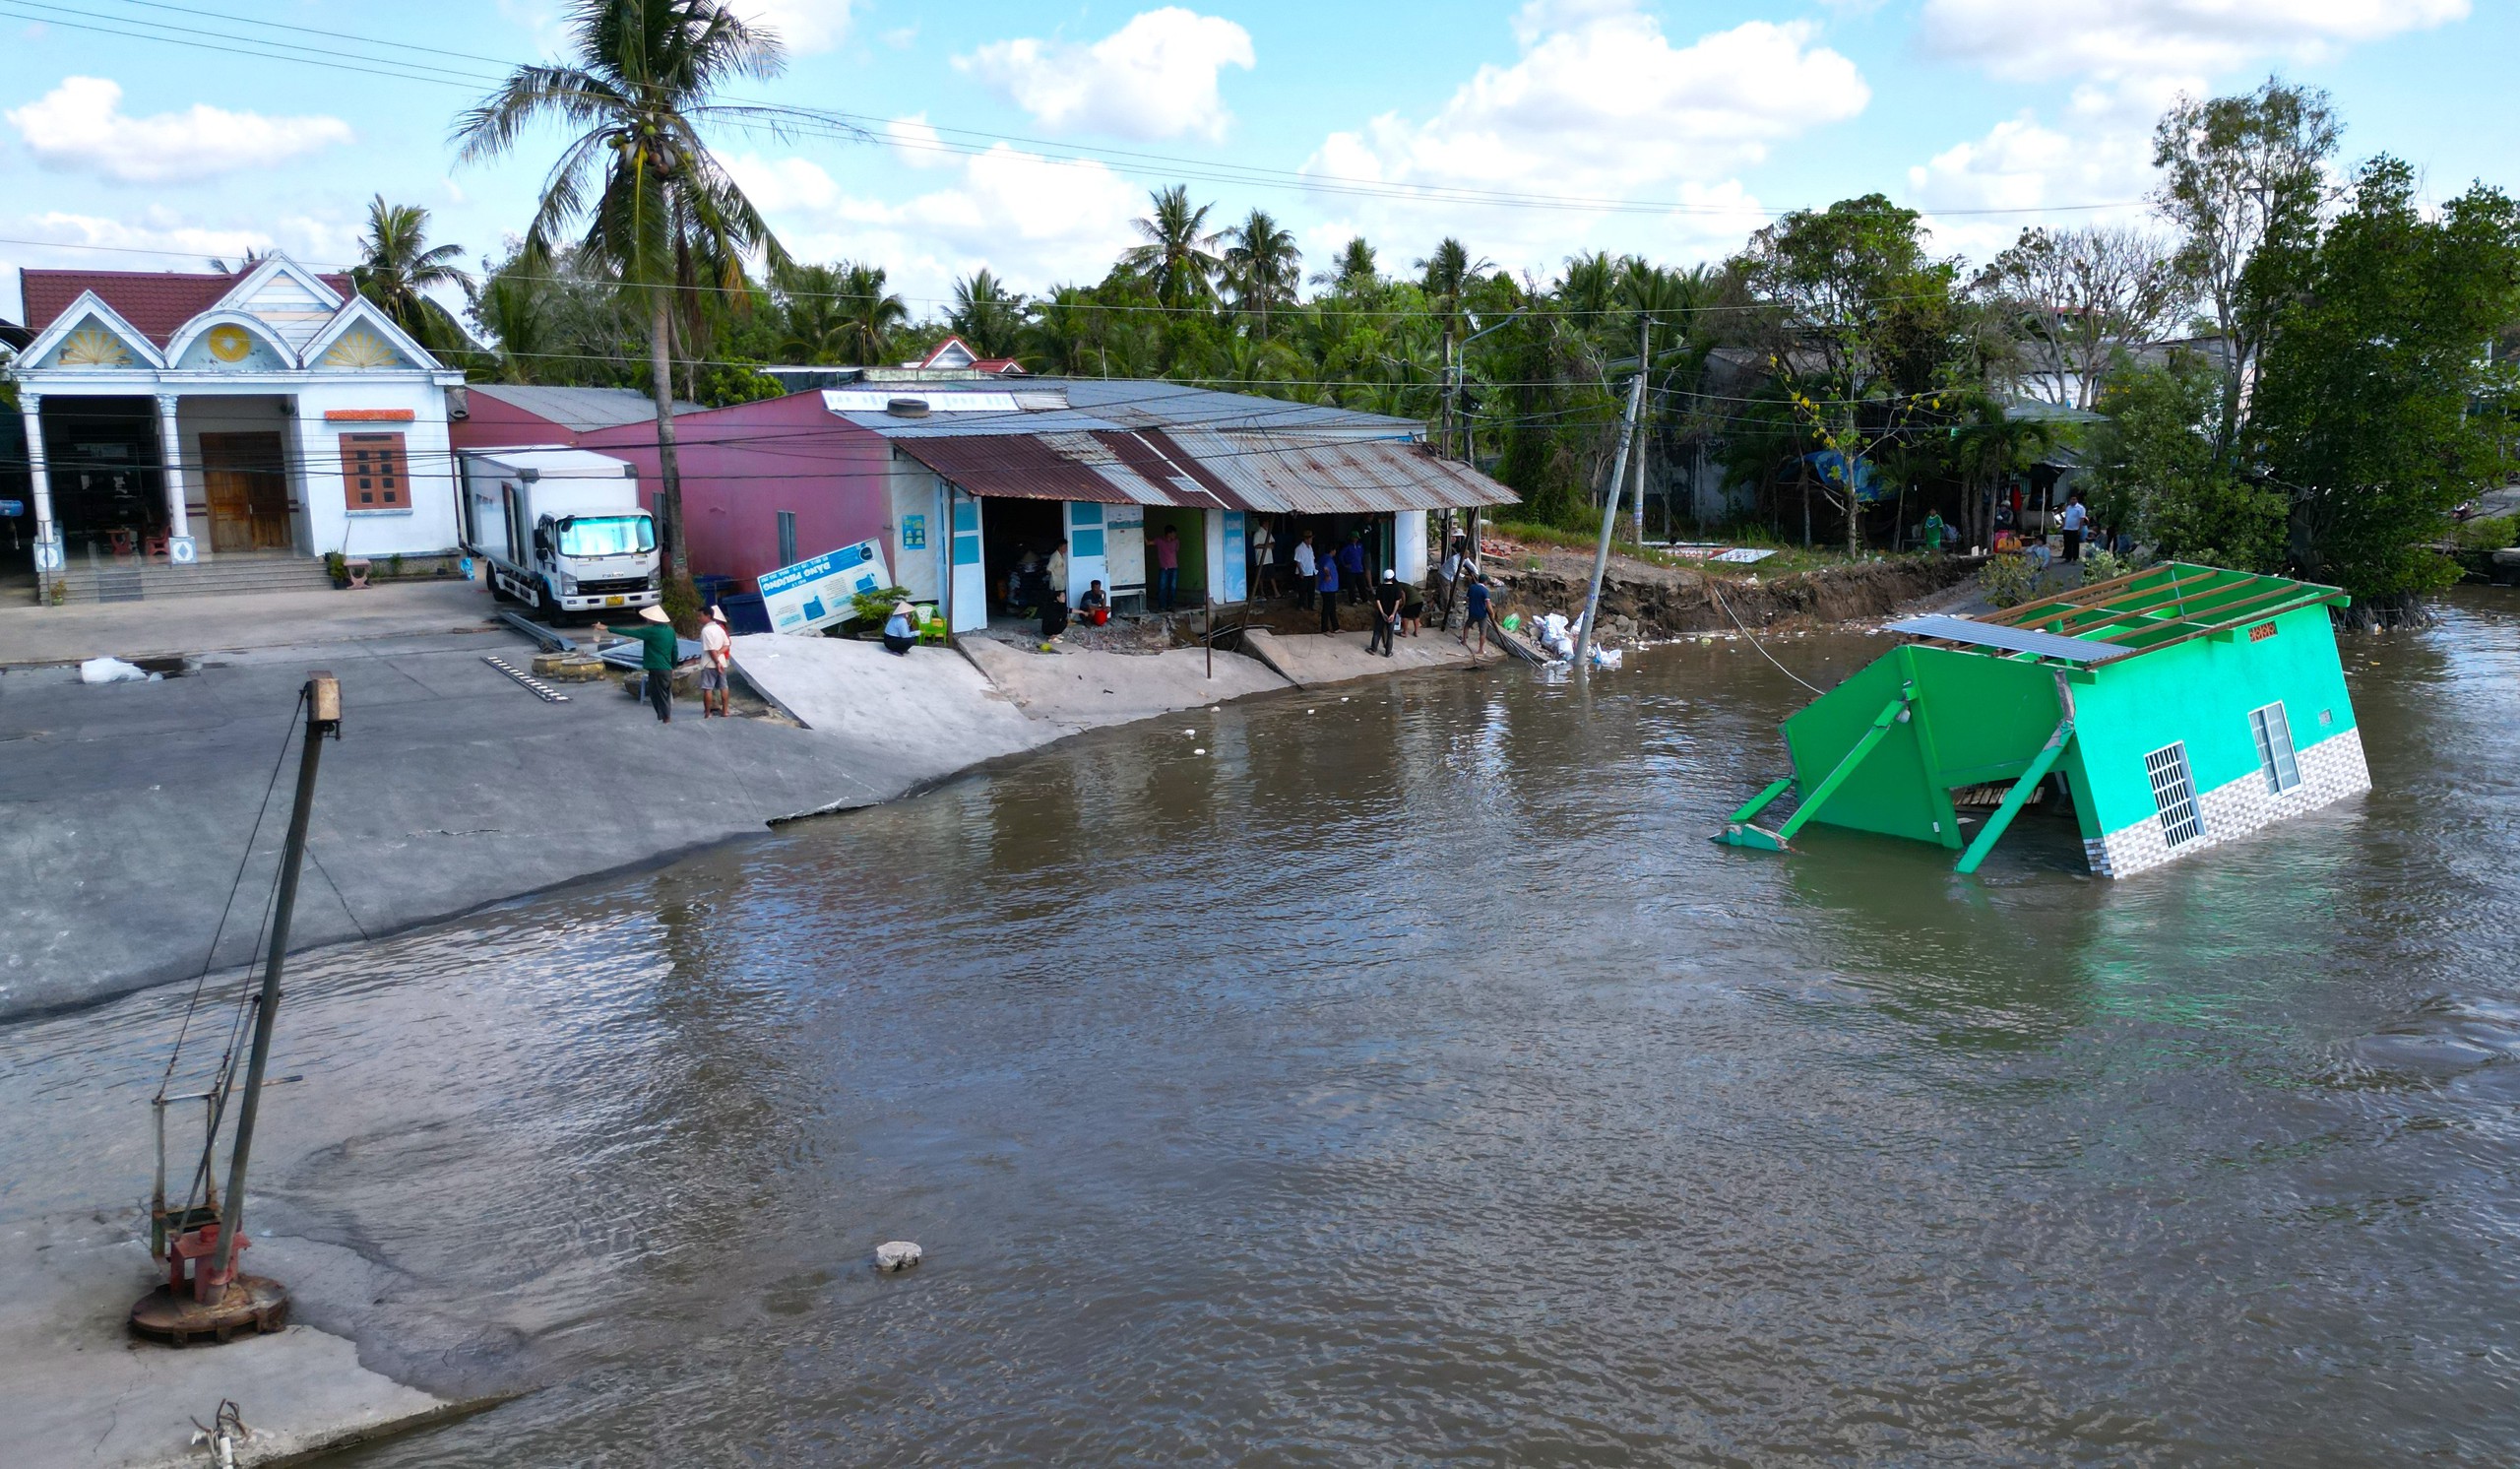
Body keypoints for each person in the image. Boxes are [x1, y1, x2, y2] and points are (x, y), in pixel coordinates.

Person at [605, 604, 681, 723]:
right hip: (666, 668)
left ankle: (666, 720)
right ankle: (665, 718)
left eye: (649, 617)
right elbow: (675, 650)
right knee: (664, 694)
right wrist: (673, 666)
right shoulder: (670, 631)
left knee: (658, 695)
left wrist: (608, 628)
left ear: (654, 619)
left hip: (657, 668)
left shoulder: (651, 631)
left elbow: (630, 633)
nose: (647, 619)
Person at [697, 604, 733, 717]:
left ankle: (708, 713)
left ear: (707, 616)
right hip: (722, 661)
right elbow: (727, 644)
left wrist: (716, 661)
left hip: (710, 664)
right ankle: (725, 711)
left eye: (700, 616)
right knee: (724, 686)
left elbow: (710, 649)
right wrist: (720, 653)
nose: (698, 618)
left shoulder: (706, 631)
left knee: (707, 688)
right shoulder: (720, 628)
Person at [1369, 568, 1405, 656]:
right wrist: (1393, 614)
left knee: (1377, 631)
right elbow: (1397, 602)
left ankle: (1373, 649)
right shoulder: (1396, 588)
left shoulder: (1380, 588)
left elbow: (1378, 601)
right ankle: (1388, 652)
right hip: (1391, 614)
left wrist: (1382, 613)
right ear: (1392, 577)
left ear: (1384, 577)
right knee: (1390, 634)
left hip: (1382, 614)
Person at [1462, 569, 1493, 660]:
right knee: (1482, 632)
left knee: (1467, 625)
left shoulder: (1472, 587)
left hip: (1472, 612)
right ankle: (1480, 650)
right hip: (1482, 614)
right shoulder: (1485, 591)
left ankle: (1464, 641)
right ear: (1485, 581)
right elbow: (1488, 604)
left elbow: (1467, 599)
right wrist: (1492, 613)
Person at [1153, 524, 1181, 610]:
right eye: (1173, 533)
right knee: (1162, 588)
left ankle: (1170, 605)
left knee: (1172, 588)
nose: (1174, 535)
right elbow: (1148, 543)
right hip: (1164, 568)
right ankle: (1162, 606)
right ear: (1168, 534)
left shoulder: (1176, 541)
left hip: (1174, 568)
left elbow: (1177, 549)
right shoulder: (1159, 541)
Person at [1314, 546, 1341, 632]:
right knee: (1327, 608)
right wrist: (1328, 575)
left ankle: (1336, 627)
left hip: (1329, 588)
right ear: (1333, 550)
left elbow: (1318, 566)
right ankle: (1324, 629)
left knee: (1332, 608)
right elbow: (1326, 568)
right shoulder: (1328, 559)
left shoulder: (1323, 558)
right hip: (1328, 588)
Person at [1250, 516, 1277, 599]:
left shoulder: (1268, 532)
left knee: (1272, 576)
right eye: (1267, 523)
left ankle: (1276, 591)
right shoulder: (1258, 533)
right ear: (1264, 523)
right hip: (1261, 558)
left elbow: (1273, 542)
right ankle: (1262, 591)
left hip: (1269, 558)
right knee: (1260, 577)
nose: (1268, 525)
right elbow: (1255, 545)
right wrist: (1267, 545)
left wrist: (1270, 545)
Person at [1338, 531, 1367, 605]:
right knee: (1351, 586)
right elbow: (1341, 556)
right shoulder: (1347, 547)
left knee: (1362, 585)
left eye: (1357, 538)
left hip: (1359, 569)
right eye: (1354, 537)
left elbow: (1361, 556)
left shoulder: (1360, 546)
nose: (1356, 539)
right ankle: (1353, 601)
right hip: (1351, 570)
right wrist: (1345, 564)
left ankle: (1365, 599)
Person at [1292, 530, 1318, 609]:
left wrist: (1315, 568)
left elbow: (1312, 559)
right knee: (1302, 591)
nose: (1311, 540)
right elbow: (1297, 561)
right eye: (1310, 538)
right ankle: (1301, 605)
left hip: (1311, 571)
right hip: (1304, 572)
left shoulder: (1310, 547)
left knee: (1311, 590)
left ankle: (1311, 605)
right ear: (1306, 539)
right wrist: (1301, 572)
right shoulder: (1299, 548)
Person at [2059, 492, 2089, 563]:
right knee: (2067, 544)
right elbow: (2066, 517)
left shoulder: (2080, 508)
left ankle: (2075, 559)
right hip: (2067, 528)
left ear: (2077, 500)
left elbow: (2082, 519)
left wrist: (2079, 528)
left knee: (2075, 544)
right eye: (2071, 499)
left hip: (2075, 529)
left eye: (2074, 499)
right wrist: (2063, 526)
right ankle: (2068, 558)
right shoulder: (2068, 508)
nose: (2073, 501)